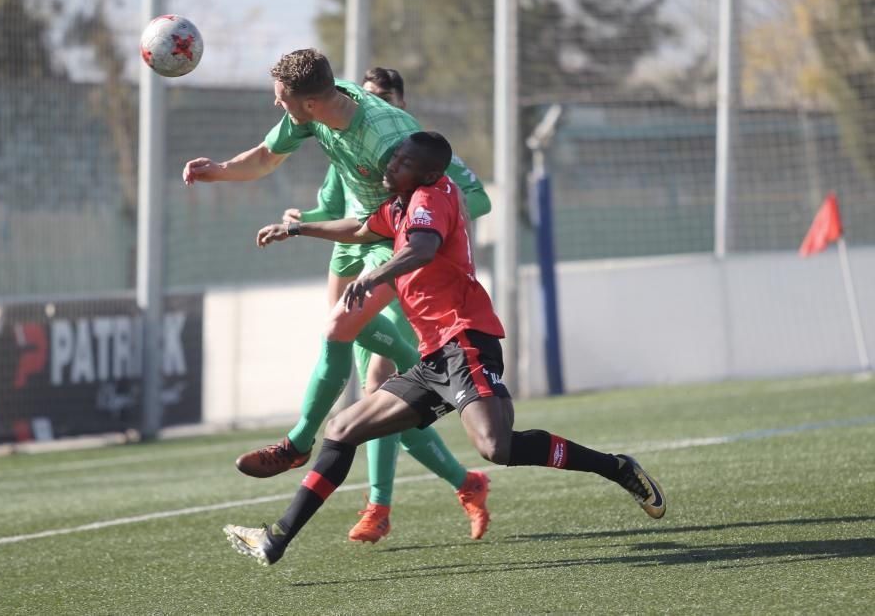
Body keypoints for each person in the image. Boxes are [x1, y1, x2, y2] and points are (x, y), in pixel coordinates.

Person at [223, 131, 666, 566]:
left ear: (429, 173)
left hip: (464, 339)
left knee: (496, 448)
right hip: (434, 355)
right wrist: (298, 229)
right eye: (395, 158)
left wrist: (374, 277)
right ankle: (275, 539)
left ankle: (616, 468)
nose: (392, 166)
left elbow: (422, 248)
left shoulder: (429, 199)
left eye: (404, 164)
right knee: (342, 429)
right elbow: (360, 229)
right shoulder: (401, 202)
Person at [182, 50, 491, 542]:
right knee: (369, 377)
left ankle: (318, 456)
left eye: (281, 98)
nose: (274, 104)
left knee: (360, 361)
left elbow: (440, 213)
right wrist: (217, 170)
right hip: (357, 243)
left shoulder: (392, 143)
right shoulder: (319, 113)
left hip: (398, 247)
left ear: (306, 101)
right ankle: (454, 459)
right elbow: (268, 159)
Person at [277, 66, 492, 543]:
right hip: (356, 268)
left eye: (386, 100)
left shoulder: (425, 159)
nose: (378, 109)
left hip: (402, 273)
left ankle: (378, 504)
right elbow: (336, 214)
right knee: (382, 406)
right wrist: (300, 220)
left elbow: (475, 200)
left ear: (401, 106)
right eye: (371, 98)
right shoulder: (348, 150)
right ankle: (466, 482)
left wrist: (429, 220)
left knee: (379, 384)